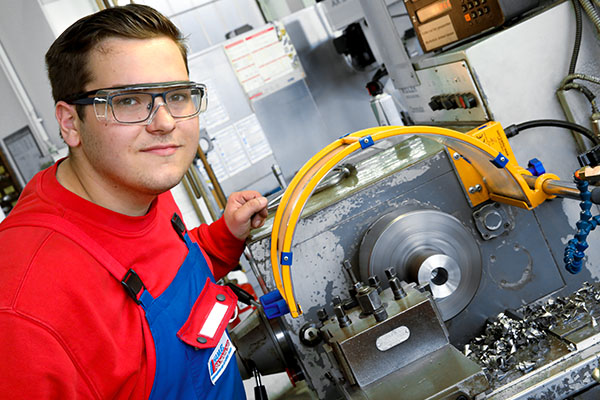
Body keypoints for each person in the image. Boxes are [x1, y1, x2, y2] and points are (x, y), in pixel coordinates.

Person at [0, 4, 267, 399]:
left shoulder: (138, 185)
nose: (164, 123)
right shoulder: (23, 310)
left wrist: (224, 236)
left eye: (177, 95)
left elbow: (163, 270)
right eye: (128, 101)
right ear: (70, 122)